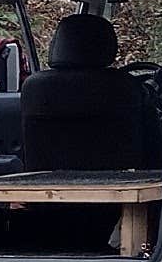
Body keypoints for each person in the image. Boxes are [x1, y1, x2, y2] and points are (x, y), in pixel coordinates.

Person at [18, 9, 143, 171]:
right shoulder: (127, 88)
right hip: (121, 188)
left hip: (45, 187)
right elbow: (156, 156)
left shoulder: (34, 88)